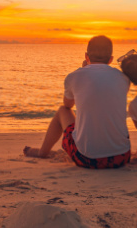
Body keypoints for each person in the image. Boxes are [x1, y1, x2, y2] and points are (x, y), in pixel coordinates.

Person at [23, 35, 131, 169]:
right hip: (121, 157)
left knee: (62, 111)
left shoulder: (74, 77)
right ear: (111, 59)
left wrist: (83, 69)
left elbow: (68, 105)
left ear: (86, 56)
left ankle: (42, 153)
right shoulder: (123, 78)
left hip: (86, 159)